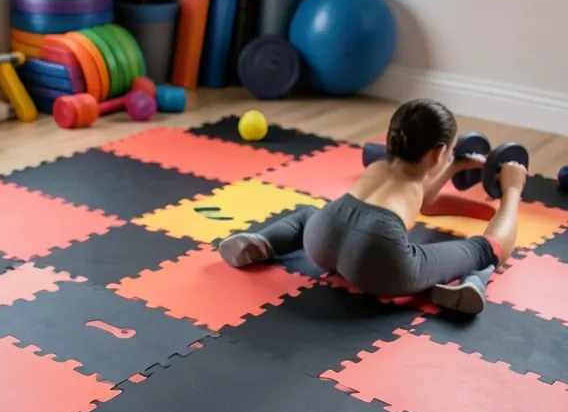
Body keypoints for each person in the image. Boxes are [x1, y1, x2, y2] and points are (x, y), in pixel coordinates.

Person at [218, 99, 527, 315]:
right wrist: (512, 190)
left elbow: (427, 202)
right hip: (380, 259)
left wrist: (454, 167)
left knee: (306, 215)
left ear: (391, 139)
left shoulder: (381, 167)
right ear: (437, 153)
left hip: (324, 235)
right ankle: (473, 280)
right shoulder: (414, 185)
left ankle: (262, 242)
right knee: (485, 250)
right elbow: (430, 204)